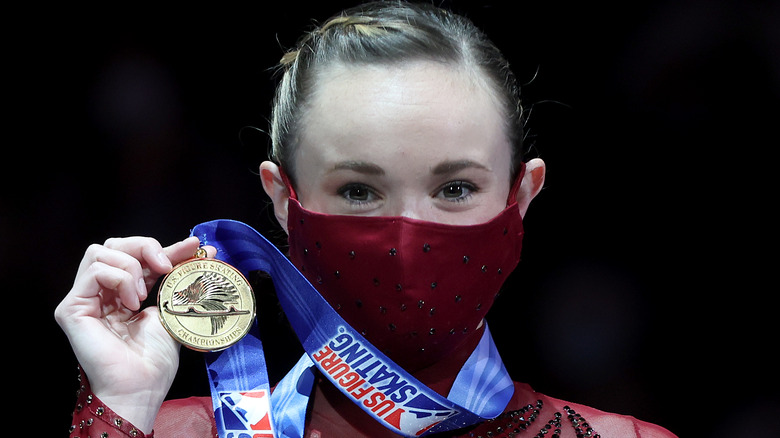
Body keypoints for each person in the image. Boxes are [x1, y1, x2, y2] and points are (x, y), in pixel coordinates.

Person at [55, 2, 677, 437]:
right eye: (358, 191)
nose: (408, 231)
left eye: (455, 187)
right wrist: (120, 407)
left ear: (521, 196)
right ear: (282, 199)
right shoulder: (162, 433)